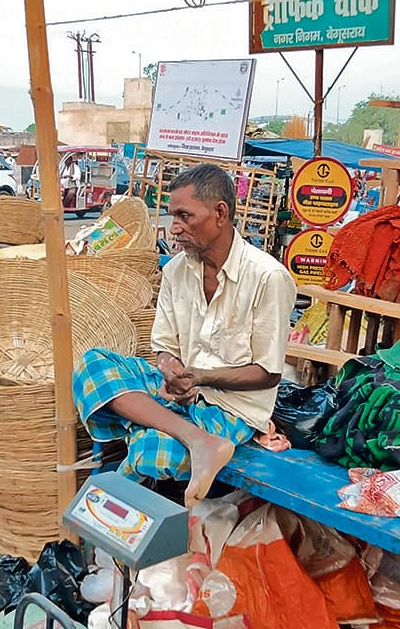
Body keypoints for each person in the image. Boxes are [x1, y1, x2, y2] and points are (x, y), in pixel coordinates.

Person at [72, 164, 296, 507]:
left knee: (150, 452)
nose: (174, 228)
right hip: (184, 398)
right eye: (172, 215)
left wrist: (201, 377)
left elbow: (268, 373)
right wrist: (170, 370)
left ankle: (153, 425)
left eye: (184, 216)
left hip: (230, 411)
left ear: (220, 213)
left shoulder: (268, 277)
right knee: (92, 365)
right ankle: (196, 439)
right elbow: (164, 347)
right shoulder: (177, 270)